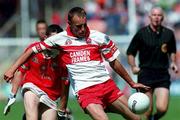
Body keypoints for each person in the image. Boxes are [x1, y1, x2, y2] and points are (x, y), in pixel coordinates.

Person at [4, 7, 150, 120]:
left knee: (136, 117)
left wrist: (132, 83)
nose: (82, 29)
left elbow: (114, 63)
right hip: (86, 92)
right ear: (70, 24)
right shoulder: (59, 39)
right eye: (78, 26)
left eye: (84, 25)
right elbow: (31, 51)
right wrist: (12, 69)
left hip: (107, 86)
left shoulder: (98, 37)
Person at [4, 24, 70, 120]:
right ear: (46, 38)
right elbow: (20, 71)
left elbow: (65, 84)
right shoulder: (34, 49)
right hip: (32, 87)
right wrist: (12, 95)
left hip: (51, 95)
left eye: (57, 41)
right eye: (52, 40)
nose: (54, 44)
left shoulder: (63, 58)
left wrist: (62, 108)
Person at [126, 7, 178, 120]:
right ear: (149, 17)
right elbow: (130, 52)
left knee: (162, 108)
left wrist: (173, 62)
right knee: (147, 110)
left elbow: (172, 51)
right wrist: (133, 66)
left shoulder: (169, 34)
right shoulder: (141, 33)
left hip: (162, 75)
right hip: (145, 74)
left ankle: (155, 118)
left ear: (162, 17)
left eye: (159, 15)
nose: (156, 17)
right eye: (154, 15)